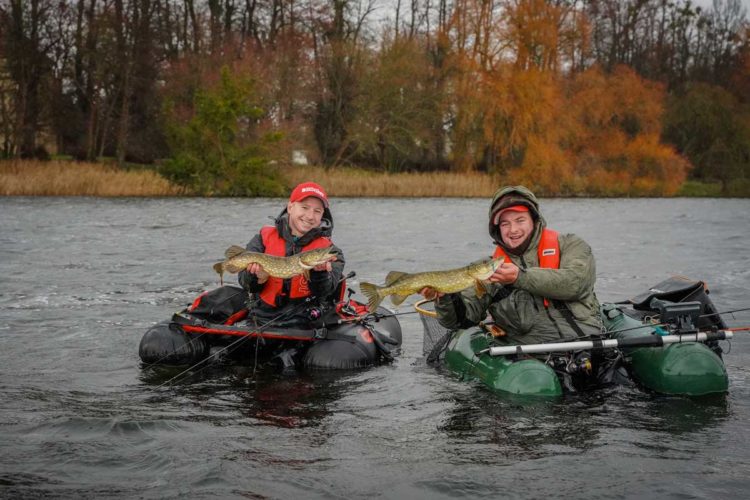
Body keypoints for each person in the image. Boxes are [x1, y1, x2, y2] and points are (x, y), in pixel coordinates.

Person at [421, 185, 601, 344]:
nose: (513, 230)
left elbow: (575, 283)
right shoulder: (486, 269)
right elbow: (461, 321)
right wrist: (445, 298)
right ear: (497, 229)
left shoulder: (571, 245)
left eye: (520, 220)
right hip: (533, 362)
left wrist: (519, 277)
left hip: (591, 346)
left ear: (534, 220)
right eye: (505, 224)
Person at [238, 182, 345, 325]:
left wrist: (320, 275)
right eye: (305, 207)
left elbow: (325, 292)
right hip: (263, 317)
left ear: (322, 216)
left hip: (305, 322)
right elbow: (246, 285)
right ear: (290, 207)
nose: (310, 216)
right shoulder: (262, 239)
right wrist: (253, 276)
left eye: (317, 211)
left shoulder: (331, 251)